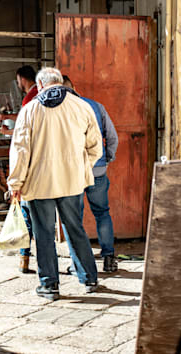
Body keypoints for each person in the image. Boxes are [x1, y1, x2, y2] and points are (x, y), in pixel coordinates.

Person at [8, 67, 102, 301]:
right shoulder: (82, 106)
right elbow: (96, 147)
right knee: (75, 228)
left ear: (40, 86)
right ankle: (89, 277)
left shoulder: (30, 110)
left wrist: (15, 183)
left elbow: (20, 151)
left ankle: (49, 285)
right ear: (60, 83)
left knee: (44, 234)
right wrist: (81, 167)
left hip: (40, 183)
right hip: (72, 181)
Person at [63, 76, 119, 272]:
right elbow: (112, 136)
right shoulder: (96, 106)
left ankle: (77, 263)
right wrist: (107, 158)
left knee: (73, 219)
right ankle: (109, 258)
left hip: (72, 172)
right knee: (102, 213)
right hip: (98, 169)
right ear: (74, 87)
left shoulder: (60, 110)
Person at [0, 66, 39, 275]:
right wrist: (9, 118)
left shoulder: (32, 97)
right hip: (42, 171)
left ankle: (25, 259)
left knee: (27, 215)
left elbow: (24, 132)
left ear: (22, 78)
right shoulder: (36, 98)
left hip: (29, 169)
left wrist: (14, 183)